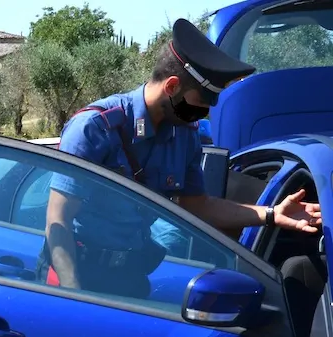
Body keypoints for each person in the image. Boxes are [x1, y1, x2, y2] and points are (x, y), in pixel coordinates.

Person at [37, 18, 323, 297]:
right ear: (172, 86)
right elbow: (58, 219)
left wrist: (271, 214)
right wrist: (72, 294)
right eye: (200, 103)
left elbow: (198, 205)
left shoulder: (184, 134)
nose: (203, 113)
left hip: (130, 277)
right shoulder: (95, 128)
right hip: (75, 273)